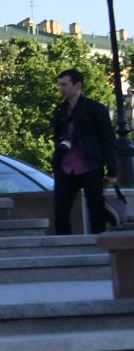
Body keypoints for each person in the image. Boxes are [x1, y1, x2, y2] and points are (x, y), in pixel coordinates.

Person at [53, 68, 116, 235]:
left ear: (78, 85)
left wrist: (112, 169)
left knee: (95, 209)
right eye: (59, 85)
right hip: (66, 167)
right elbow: (57, 138)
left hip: (90, 165)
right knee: (60, 210)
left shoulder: (95, 109)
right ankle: (64, 247)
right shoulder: (60, 111)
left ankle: (99, 247)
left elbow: (108, 139)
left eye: (64, 84)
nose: (61, 88)